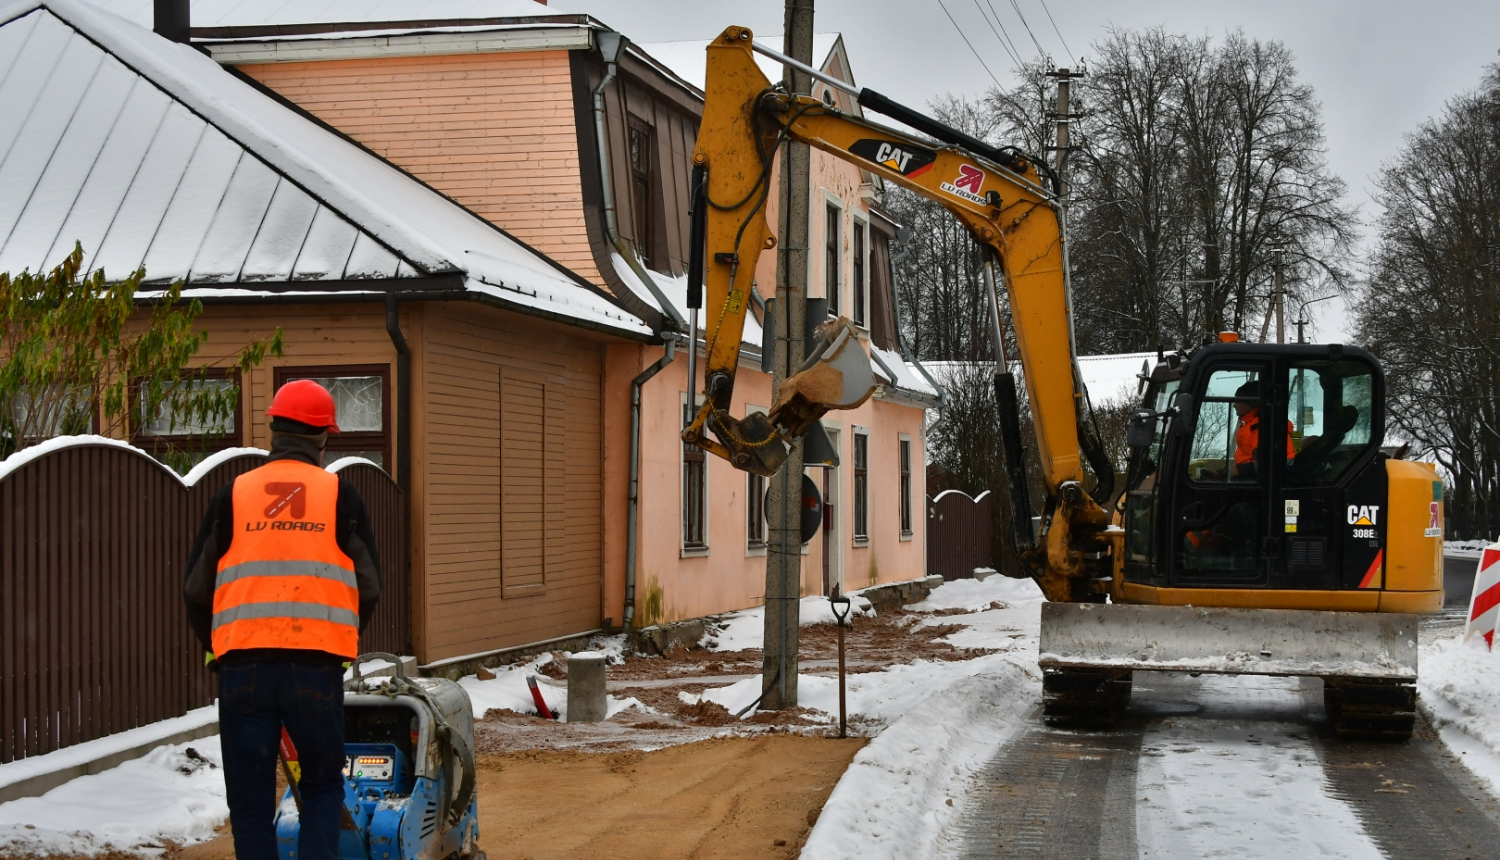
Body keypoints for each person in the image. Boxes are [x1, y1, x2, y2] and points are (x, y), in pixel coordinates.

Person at [183, 380, 381, 860]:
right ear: (323, 437)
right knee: (321, 786)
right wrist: (338, 642)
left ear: (273, 430)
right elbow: (369, 586)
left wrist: (218, 649)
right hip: (315, 666)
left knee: (249, 800)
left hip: (242, 668)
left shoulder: (233, 494)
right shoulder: (341, 496)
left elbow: (195, 589)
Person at [1230, 380, 1294, 480]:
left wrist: (1240, 470)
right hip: (1251, 478)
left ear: (1250, 402)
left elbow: (1272, 463)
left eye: (1238, 400)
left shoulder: (1263, 427)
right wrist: (1223, 472)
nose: (1234, 405)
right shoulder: (1252, 424)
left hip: (1257, 482)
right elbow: (1249, 459)